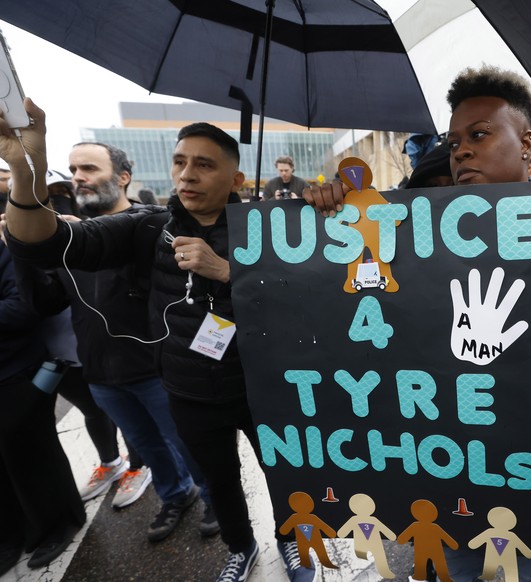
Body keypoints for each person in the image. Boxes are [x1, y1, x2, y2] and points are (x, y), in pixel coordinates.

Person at [306, 65, 531, 582]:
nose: (461, 150)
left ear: (527, 141)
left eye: (480, 134)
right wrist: (330, 216)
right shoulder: (406, 238)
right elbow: (339, 322)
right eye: (453, 141)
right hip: (437, 483)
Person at [0, 106, 308, 582]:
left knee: (284, 476)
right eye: (180, 161)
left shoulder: (271, 227)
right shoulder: (147, 226)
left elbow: (308, 296)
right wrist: (26, 170)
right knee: (220, 482)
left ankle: (291, 543)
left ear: (236, 177)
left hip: (263, 389)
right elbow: (45, 244)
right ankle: (240, 548)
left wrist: (228, 271)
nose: (187, 174)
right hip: (187, 391)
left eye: (204, 164)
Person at [13, 143, 212, 536]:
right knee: (147, 447)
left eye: (89, 167)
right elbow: (44, 301)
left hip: (158, 369)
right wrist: (27, 252)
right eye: (73, 169)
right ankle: (175, 495)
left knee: (188, 442)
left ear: (123, 177)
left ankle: (214, 497)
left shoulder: (155, 226)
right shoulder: (69, 238)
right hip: (102, 372)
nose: (78, 177)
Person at [0, 241, 86, 575]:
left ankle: (60, 523)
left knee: (33, 453)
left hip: (15, 373)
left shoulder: (3, 254)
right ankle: (10, 535)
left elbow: (23, 307)